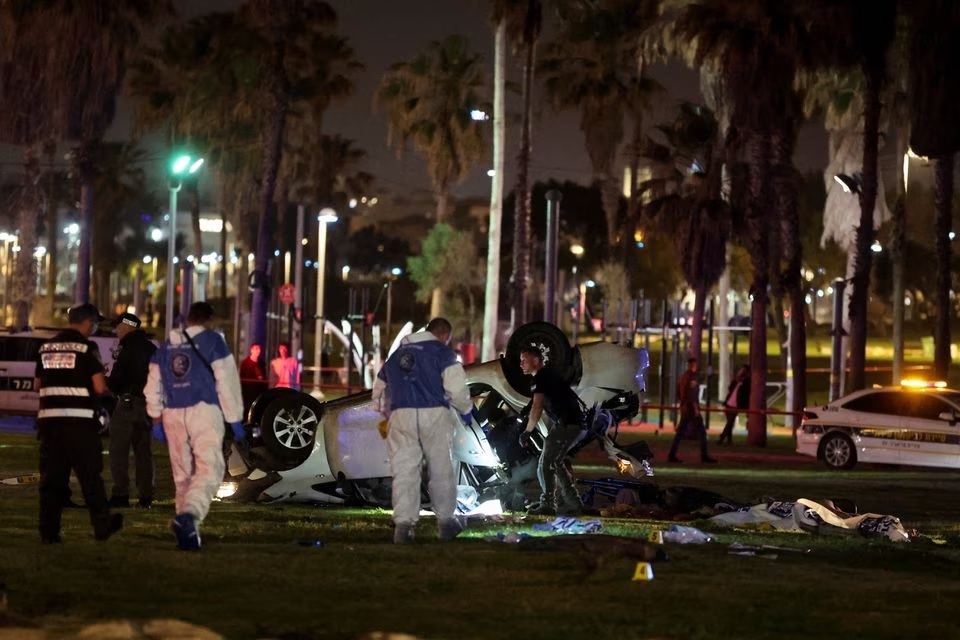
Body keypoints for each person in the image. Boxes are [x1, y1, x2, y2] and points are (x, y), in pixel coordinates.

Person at [144, 301, 244, 550]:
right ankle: (189, 515)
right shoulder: (213, 341)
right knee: (210, 469)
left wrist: (155, 418)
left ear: (188, 319)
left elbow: (153, 384)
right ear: (209, 320)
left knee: (183, 476)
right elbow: (226, 380)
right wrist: (235, 418)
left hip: (173, 413)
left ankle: (187, 533)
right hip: (204, 411)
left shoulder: (167, 345)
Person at [371, 317, 472, 544]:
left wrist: (387, 413)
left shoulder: (396, 355)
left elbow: (379, 390)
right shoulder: (442, 353)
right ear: (444, 335)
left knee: (405, 471)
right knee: (441, 469)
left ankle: (403, 528)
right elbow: (457, 388)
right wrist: (466, 409)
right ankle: (446, 523)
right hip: (434, 414)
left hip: (401, 415)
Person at [34, 303, 123, 544]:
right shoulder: (86, 348)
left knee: (52, 479)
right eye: (95, 323)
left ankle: (49, 532)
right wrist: (107, 399)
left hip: (49, 424)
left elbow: (37, 385)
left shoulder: (47, 347)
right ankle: (102, 525)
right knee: (90, 476)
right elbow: (99, 387)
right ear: (88, 322)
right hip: (80, 424)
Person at [517, 344, 586, 516]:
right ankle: (573, 503)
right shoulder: (546, 376)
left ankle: (548, 504)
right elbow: (537, 401)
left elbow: (537, 406)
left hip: (568, 424)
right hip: (570, 423)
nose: (521, 364)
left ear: (535, 360)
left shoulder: (541, 378)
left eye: (524, 360)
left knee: (546, 463)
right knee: (554, 462)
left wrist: (527, 432)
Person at [107, 312, 158, 509]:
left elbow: (118, 379)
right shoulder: (152, 348)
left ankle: (120, 494)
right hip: (149, 405)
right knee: (144, 452)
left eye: (118, 327)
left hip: (128, 404)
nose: (116, 331)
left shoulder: (127, 347)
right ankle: (146, 496)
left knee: (118, 451)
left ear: (127, 326)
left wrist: (109, 384)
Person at [668, 357, 717, 464]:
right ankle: (704, 456)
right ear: (693, 365)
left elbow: (679, 392)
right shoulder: (691, 377)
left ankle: (672, 455)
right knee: (702, 432)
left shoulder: (683, 377)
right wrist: (695, 408)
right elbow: (691, 394)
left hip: (685, 408)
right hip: (691, 408)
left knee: (680, 433)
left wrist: (683, 404)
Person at [718, 365, 751, 445]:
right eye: (741, 370)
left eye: (743, 370)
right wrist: (736, 379)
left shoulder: (747, 381)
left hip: (736, 405)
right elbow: (730, 388)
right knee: (729, 423)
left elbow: (746, 394)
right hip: (729, 403)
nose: (741, 371)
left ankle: (722, 437)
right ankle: (729, 440)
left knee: (730, 422)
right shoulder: (737, 380)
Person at [239, 342, 267, 416]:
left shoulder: (261, 363)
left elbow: (264, 377)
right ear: (251, 350)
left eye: (259, 349)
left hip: (259, 391)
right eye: (256, 349)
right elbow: (242, 378)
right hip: (248, 391)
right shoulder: (245, 363)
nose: (258, 351)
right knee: (248, 409)